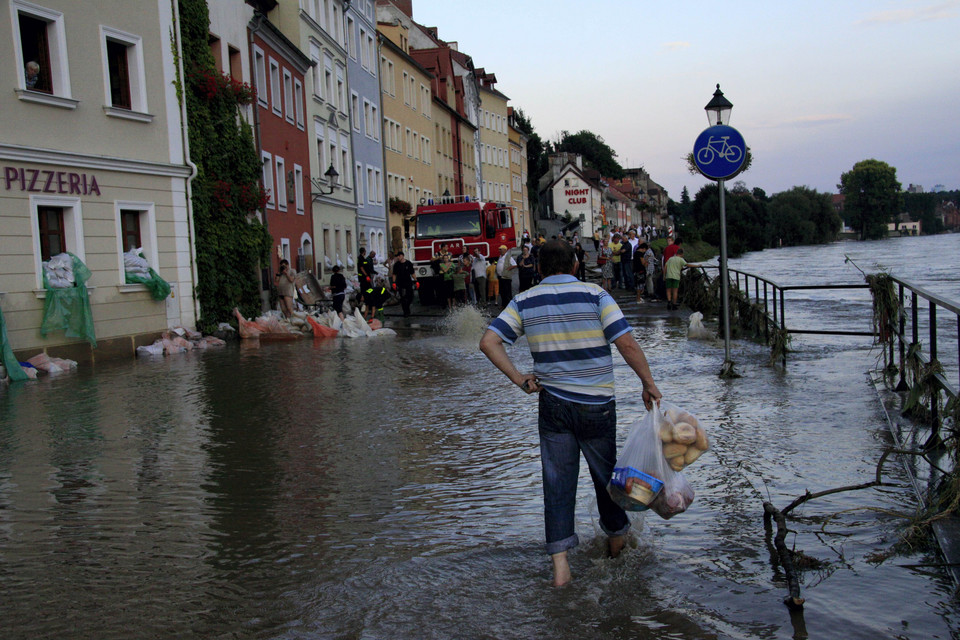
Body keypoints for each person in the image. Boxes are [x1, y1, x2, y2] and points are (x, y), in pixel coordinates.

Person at [479, 240, 662, 587]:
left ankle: (561, 569)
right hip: (597, 408)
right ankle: (617, 549)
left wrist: (520, 379)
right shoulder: (596, 295)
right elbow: (626, 343)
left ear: (541, 269)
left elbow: (489, 341)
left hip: (553, 407)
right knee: (606, 480)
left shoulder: (524, 300)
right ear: (576, 264)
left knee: (557, 484)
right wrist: (647, 383)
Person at [391, 251, 416, 317]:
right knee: (403, 298)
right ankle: (406, 312)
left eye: (399, 256)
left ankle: (407, 307)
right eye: (397, 256)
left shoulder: (408, 263)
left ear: (402, 256)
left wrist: (416, 280)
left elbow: (412, 273)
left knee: (410, 296)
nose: (398, 257)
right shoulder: (396, 265)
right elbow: (394, 274)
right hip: (400, 283)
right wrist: (394, 283)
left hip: (408, 282)